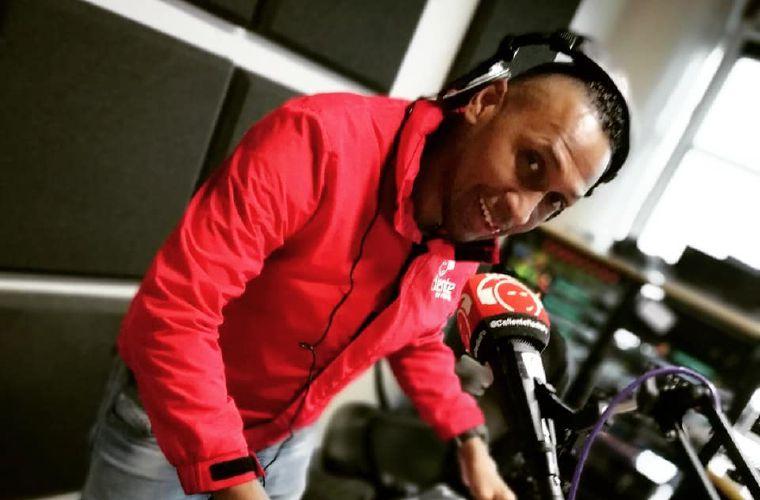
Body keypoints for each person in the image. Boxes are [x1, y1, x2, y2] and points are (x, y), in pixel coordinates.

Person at [82, 32, 630, 500]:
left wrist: (470, 442)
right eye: (531, 162)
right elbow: (177, 313)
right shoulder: (318, 140)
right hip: (169, 420)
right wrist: (232, 478)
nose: (519, 212)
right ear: (486, 101)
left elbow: (416, 336)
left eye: (553, 202)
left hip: (284, 440)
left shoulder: (471, 229)